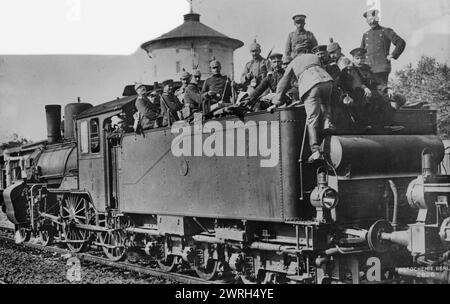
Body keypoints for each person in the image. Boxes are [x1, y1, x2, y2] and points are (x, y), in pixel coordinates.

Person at [274, 48, 334, 162]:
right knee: (326, 104)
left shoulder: (293, 62)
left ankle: (315, 150)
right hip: (327, 81)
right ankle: (327, 122)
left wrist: (277, 100)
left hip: (310, 85)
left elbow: (284, 82)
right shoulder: (314, 57)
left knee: (312, 119)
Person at [360, 9, 406, 86]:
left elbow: (401, 42)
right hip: (367, 69)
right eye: (369, 20)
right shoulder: (366, 35)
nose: (371, 22)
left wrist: (392, 55)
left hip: (381, 68)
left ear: (377, 19)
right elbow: (361, 52)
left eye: (373, 19)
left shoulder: (385, 31)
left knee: (381, 92)